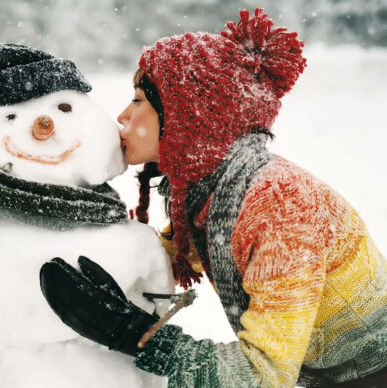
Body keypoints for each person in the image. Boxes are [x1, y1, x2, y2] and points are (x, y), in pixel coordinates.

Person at [39, 8, 387, 388]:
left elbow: (261, 375)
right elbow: (169, 256)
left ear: (188, 116)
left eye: (139, 100)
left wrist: (132, 334)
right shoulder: (212, 195)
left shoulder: (277, 207)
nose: (122, 116)